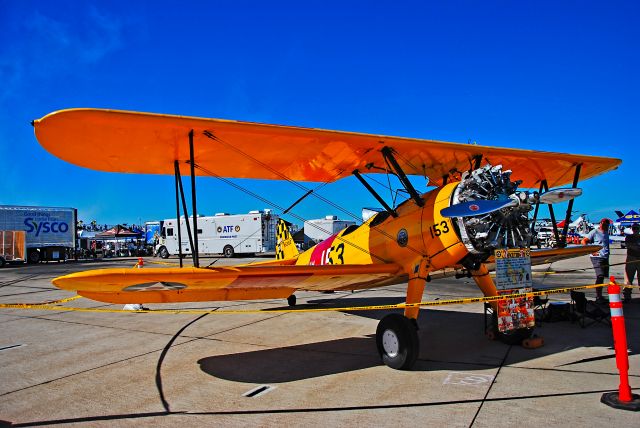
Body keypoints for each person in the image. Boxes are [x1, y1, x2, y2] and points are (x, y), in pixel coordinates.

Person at [581, 218, 611, 304]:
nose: (606, 226)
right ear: (600, 223)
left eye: (607, 225)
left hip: (605, 257)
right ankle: (598, 296)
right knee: (600, 276)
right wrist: (591, 251)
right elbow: (583, 241)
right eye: (604, 224)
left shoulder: (606, 233)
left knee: (603, 277)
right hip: (597, 258)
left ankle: (600, 295)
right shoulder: (594, 232)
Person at [623, 223, 640, 303]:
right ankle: (627, 296)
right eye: (634, 228)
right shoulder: (629, 237)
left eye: (637, 228)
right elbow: (630, 246)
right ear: (632, 229)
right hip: (631, 259)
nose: (636, 230)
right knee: (628, 279)